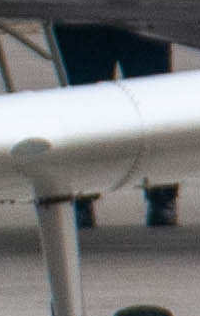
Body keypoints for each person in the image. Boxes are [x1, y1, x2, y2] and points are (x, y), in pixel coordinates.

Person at [51, 26, 180, 228]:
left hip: (140, 9)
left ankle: (162, 193)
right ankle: (81, 196)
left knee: (153, 101)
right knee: (84, 104)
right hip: (79, 13)